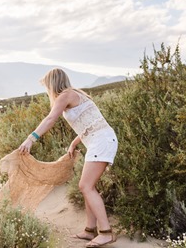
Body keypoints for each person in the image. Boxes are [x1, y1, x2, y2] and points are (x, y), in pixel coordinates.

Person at [18, 68, 118, 248]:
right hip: (100, 140)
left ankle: (106, 233)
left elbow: (50, 119)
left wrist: (31, 139)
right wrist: (74, 143)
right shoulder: (75, 94)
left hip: (101, 141)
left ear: (52, 84)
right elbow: (91, 123)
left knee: (85, 186)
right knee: (89, 186)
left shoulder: (65, 95)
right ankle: (89, 230)